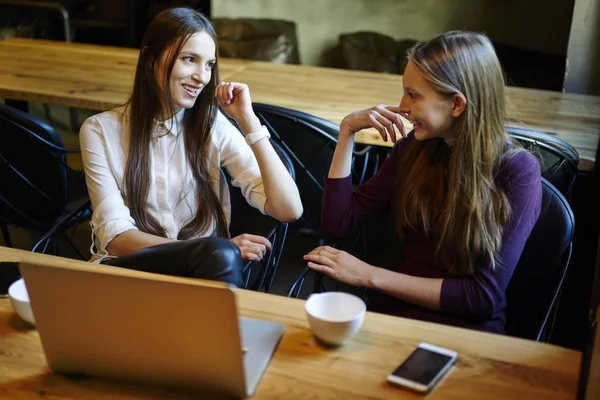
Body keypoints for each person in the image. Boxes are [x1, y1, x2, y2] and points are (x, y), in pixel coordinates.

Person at [303, 31, 542, 334]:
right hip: (392, 320)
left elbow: (481, 297)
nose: (402, 106)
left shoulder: (518, 171)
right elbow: (337, 222)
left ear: (456, 104)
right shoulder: (415, 149)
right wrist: (346, 132)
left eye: (413, 95)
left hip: (465, 335)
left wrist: (369, 275)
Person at [80, 7, 302, 288]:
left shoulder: (212, 125)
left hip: (202, 276)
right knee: (220, 255)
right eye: (189, 60)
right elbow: (116, 240)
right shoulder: (99, 131)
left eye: (209, 64)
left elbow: (289, 209)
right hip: (131, 273)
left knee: (219, 258)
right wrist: (210, 251)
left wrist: (249, 122)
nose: (202, 77)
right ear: (150, 59)